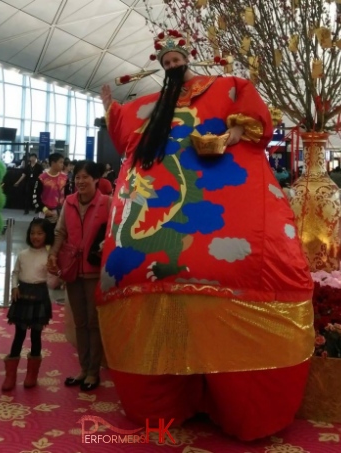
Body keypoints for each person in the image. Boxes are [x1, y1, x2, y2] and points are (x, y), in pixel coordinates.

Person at [97, 29, 314, 441]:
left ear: (187, 58)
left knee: (247, 272)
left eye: (176, 59)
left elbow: (252, 122)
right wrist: (112, 111)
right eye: (166, 62)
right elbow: (126, 133)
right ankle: (168, 402)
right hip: (154, 244)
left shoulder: (229, 88)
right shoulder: (148, 109)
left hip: (220, 228)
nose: (172, 65)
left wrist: (228, 137)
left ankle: (239, 408)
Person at [47, 160, 111, 392]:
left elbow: (116, 231)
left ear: (96, 179)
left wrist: (107, 245)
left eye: (85, 177)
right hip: (73, 270)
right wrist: (53, 255)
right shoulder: (70, 202)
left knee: (94, 323)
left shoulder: (107, 203)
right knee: (80, 322)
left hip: (96, 273)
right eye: (77, 177)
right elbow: (61, 231)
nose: (80, 181)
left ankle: (94, 372)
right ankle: (83, 369)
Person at [2, 218, 54, 391]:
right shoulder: (23, 254)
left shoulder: (49, 256)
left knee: (36, 336)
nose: (35, 236)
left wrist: (56, 269)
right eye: (32, 233)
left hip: (39, 297)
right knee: (19, 335)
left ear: (46, 235)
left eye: (40, 233)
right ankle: (11, 376)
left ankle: (32, 375)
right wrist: (14, 287)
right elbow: (15, 273)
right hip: (22, 298)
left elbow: (54, 279)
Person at [34, 153, 67, 228]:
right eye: (60, 162)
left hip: (62, 213)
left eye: (63, 162)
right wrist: (45, 210)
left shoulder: (65, 178)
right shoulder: (42, 178)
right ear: (53, 163)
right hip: (46, 213)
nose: (63, 164)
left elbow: (68, 196)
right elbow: (36, 197)